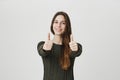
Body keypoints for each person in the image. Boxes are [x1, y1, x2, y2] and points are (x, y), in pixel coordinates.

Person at [37, 11, 82, 80]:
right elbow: (42, 51)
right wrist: (45, 49)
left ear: (67, 26)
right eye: (56, 22)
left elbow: (78, 51)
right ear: (52, 24)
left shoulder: (71, 46)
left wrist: (75, 49)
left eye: (63, 23)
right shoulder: (43, 44)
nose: (58, 25)